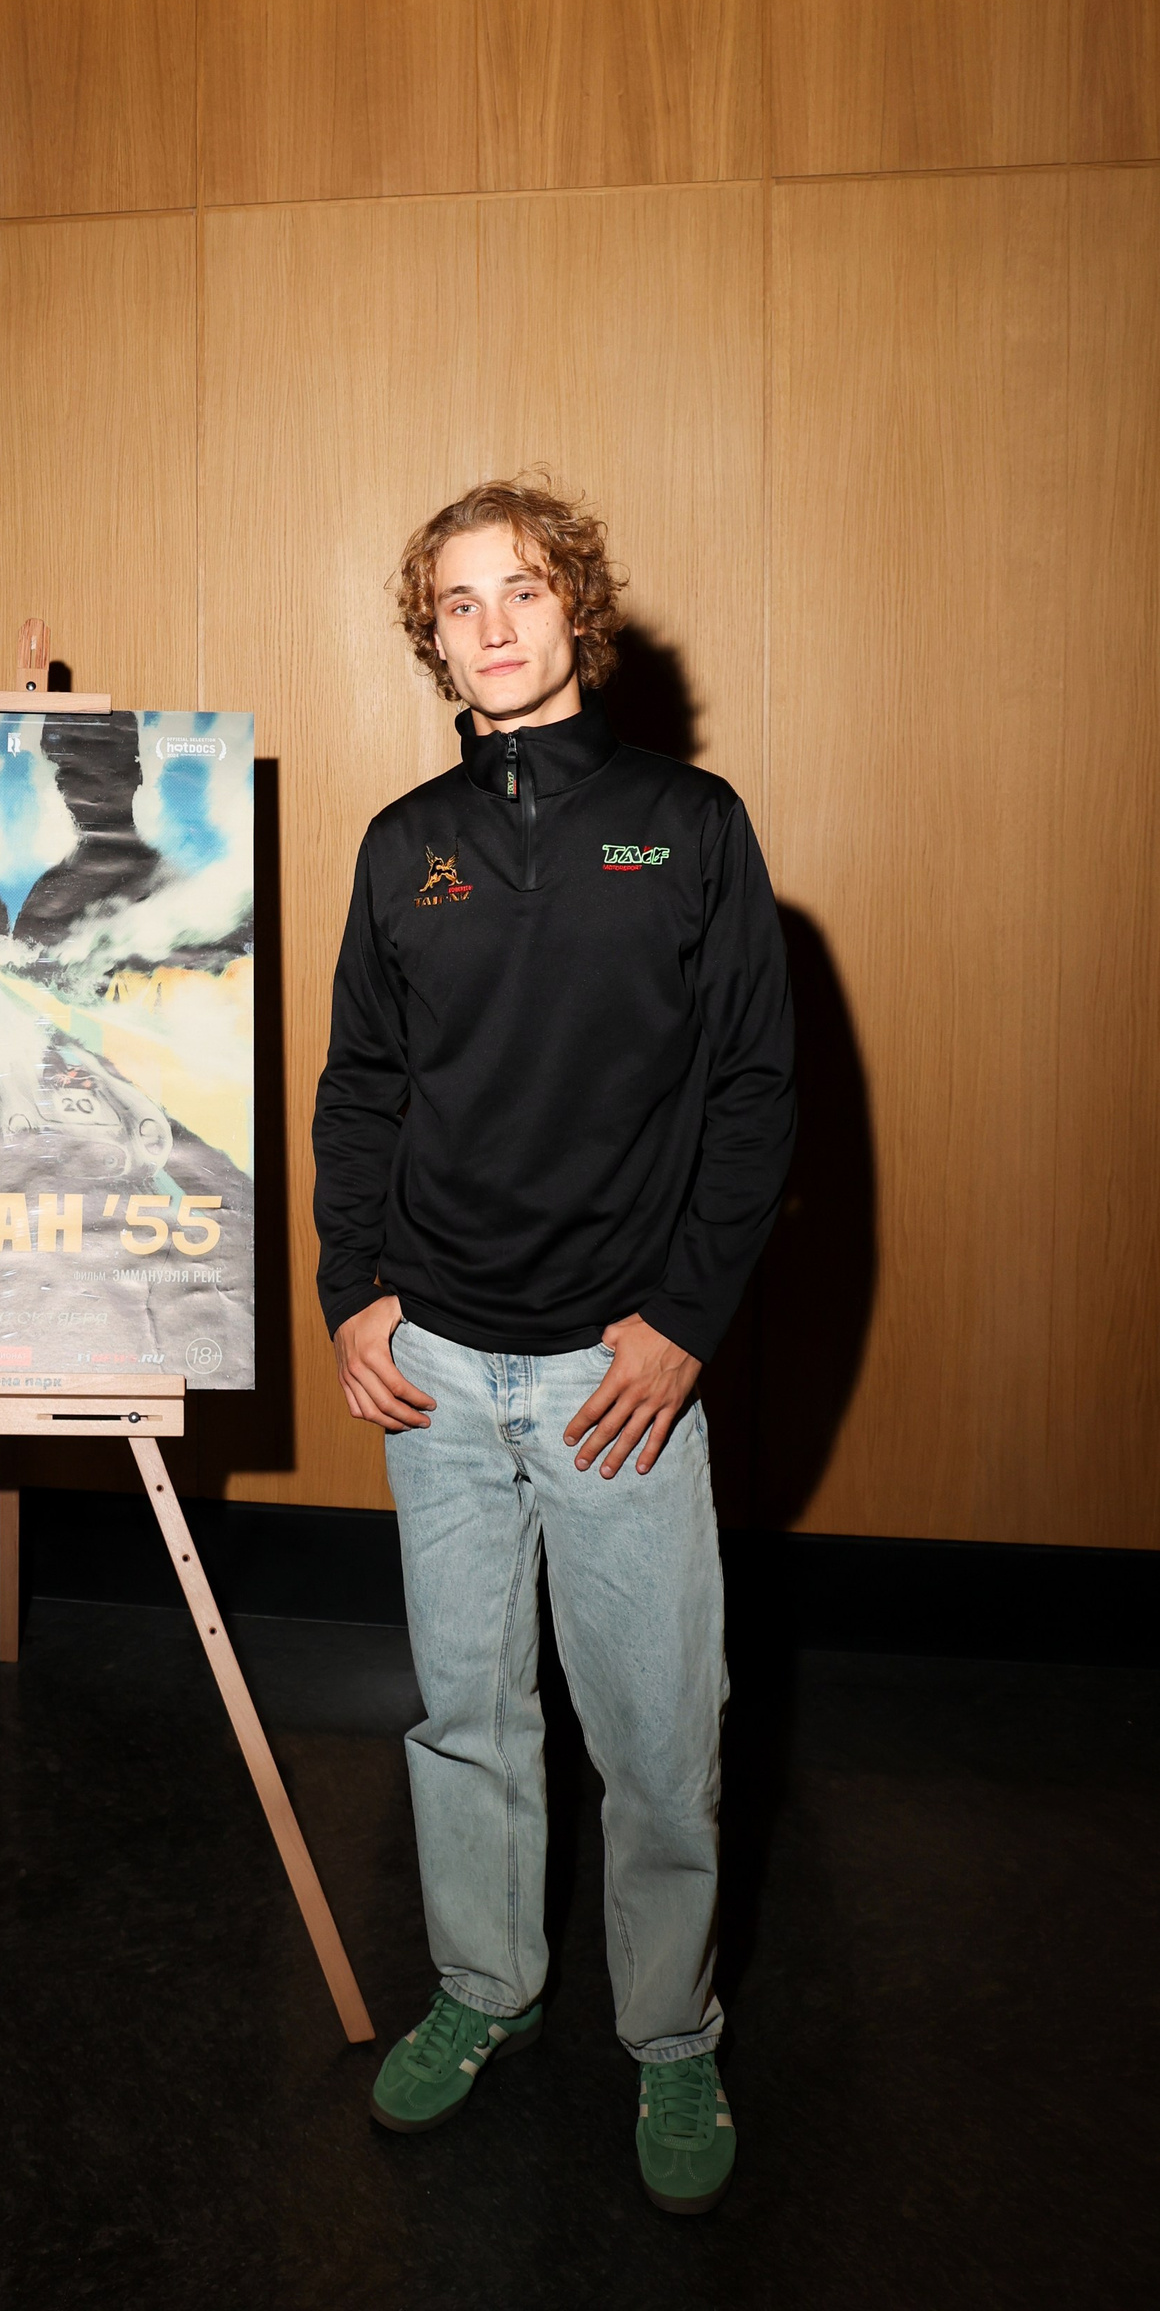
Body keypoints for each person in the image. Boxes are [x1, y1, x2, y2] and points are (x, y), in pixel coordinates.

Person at [312, 477, 795, 2214]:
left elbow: (754, 1092)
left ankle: (670, 2036)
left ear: (576, 609)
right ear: (432, 638)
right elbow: (362, 1089)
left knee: (657, 1736)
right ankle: (485, 1985)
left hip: (617, 1379)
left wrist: (681, 1326)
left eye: (522, 589)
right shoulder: (402, 845)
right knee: (465, 1714)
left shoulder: (690, 824)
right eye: (459, 602)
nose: (494, 624)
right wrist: (352, 1288)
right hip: (436, 1369)